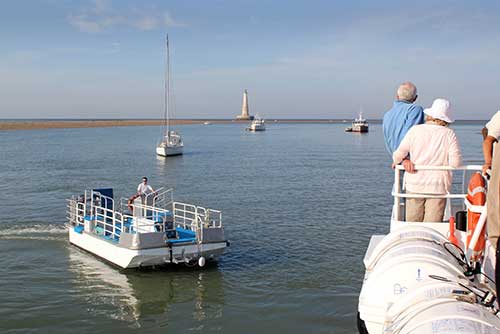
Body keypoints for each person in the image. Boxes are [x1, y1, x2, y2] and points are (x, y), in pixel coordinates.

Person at [393, 98, 462, 222]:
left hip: (414, 184)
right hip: (437, 186)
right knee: (432, 227)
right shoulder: (449, 134)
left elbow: (398, 155)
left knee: (412, 224)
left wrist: (403, 161)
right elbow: (455, 163)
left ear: (430, 114)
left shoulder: (415, 130)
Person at [383, 82, 425, 157]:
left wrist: (397, 158)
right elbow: (409, 135)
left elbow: (387, 142)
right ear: (415, 98)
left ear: (397, 96)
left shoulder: (387, 114)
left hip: (397, 159)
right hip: (409, 162)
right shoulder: (415, 110)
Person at [482, 111, 500, 250]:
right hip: (493, 142)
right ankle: (495, 244)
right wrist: (489, 162)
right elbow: (488, 140)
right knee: (495, 199)